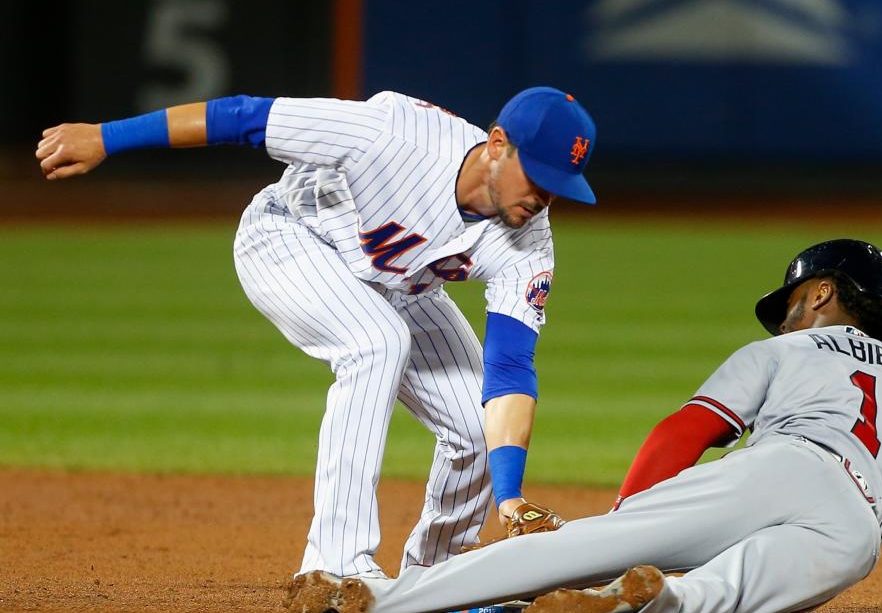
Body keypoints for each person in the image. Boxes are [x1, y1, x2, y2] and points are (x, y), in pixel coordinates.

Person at [283, 238, 882, 613]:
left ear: (823, 293)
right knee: (711, 599)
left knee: (574, 547)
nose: (787, 309)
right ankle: (643, 602)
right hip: (852, 533)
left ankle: (378, 594)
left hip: (777, 468)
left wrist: (626, 522)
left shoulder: (781, 350)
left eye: (795, 295)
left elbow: (684, 431)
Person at [36, 87, 598, 579]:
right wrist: (107, 138)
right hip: (289, 237)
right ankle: (335, 562)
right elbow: (244, 117)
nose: (546, 196)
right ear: (498, 145)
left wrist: (510, 495)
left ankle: (438, 573)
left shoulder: (530, 240)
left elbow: (508, 368)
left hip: (397, 286)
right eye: (540, 175)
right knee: (376, 343)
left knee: (476, 424)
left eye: (561, 185)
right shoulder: (394, 134)